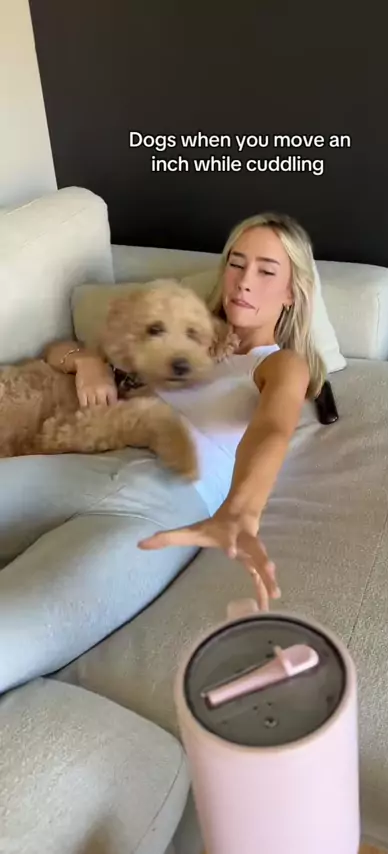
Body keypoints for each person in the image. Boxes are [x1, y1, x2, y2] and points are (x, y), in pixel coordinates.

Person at [0, 211, 324, 694]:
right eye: (237, 264)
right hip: (91, 462)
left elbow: (273, 428)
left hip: (165, 505)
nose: (244, 281)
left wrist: (242, 510)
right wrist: (88, 364)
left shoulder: (281, 363)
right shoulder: (180, 327)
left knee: (11, 635)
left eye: (266, 271)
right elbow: (63, 348)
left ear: (291, 292)